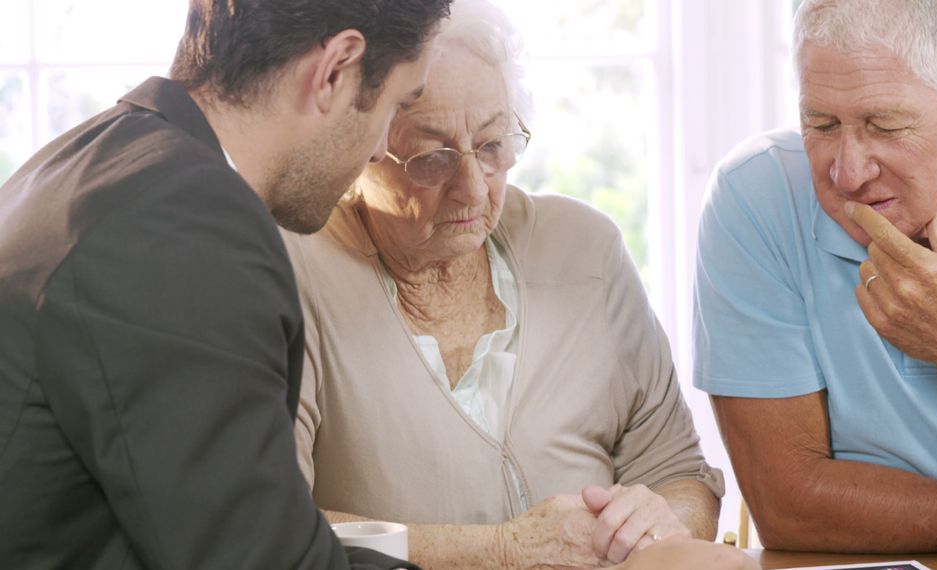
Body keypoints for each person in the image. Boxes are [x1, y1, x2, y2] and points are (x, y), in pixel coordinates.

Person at [0, 0, 451, 568]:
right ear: (336, 69)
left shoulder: (94, 160)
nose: (380, 148)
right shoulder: (185, 224)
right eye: (396, 104)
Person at [280, 0, 730, 567]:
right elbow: (270, 527)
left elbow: (681, 474)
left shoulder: (586, 253)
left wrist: (662, 525)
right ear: (360, 147)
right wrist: (504, 551)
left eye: (492, 145)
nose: (473, 188)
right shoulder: (290, 272)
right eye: (432, 158)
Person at [693, 0, 937, 553]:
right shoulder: (754, 197)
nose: (847, 173)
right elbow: (789, 508)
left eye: (886, 126)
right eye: (821, 124)